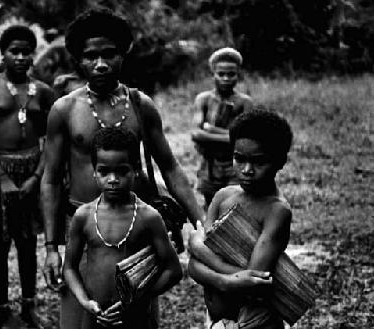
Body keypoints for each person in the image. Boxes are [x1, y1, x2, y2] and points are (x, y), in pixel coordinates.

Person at [40, 7, 204, 329]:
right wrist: (51, 247)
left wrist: (201, 220)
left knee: (134, 315)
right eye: (90, 56)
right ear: (78, 59)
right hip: (82, 227)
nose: (100, 64)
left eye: (109, 54)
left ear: (123, 53)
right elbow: (50, 181)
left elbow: (169, 168)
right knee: (82, 316)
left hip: (134, 229)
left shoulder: (140, 105)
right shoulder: (65, 109)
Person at [0, 24, 55, 329]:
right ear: (3, 54)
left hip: (31, 169)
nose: (20, 57)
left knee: (28, 241)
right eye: (14, 51)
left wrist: (36, 177)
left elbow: (50, 140)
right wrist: (1, 177)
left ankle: (29, 305)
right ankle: (3, 308)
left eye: (26, 52)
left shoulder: (42, 91)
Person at [63, 127, 182, 329]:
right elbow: (69, 268)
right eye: (104, 171)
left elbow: (173, 269)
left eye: (121, 171)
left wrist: (140, 298)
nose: (112, 179)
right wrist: (85, 302)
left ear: (135, 169)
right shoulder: (84, 216)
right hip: (95, 316)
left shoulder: (148, 217)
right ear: (94, 172)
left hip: (136, 318)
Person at [188, 109, 294, 329]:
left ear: (280, 161)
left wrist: (199, 248)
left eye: (258, 162)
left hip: (255, 322)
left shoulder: (276, 211)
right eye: (239, 159)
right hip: (217, 321)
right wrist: (224, 280)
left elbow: (253, 281)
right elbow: (193, 267)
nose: (247, 170)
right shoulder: (223, 197)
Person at [191, 47, 253, 210]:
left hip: (234, 164)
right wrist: (230, 136)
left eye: (231, 74)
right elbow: (196, 133)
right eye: (221, 74)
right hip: (209, 165)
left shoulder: (244, 102)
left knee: (234, 206)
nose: (226, 78)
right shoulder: (204, 99)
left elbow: (245, 139)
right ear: (213, 75)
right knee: (211, 207)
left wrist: (211, 130)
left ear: (237, 75)